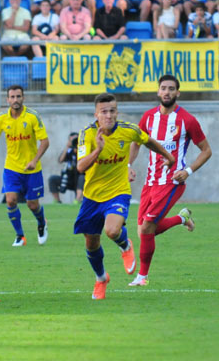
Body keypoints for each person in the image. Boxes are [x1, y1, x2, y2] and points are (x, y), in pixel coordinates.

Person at [75, 93, 175, 300]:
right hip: (92, 197)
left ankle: (125, 244)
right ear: (96, 114)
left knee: (111, 230)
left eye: (112, 111)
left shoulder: (128, 130)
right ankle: (101, 278)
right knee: (91, 243)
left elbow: (148, 141)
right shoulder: (87, 134)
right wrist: (98, 150)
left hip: (118, 192)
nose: (109, 115)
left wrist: (168, 156)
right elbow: (80, 167)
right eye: (104, 112)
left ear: (117, 112)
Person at [127, 74, 212, 287]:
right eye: (163, 88)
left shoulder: (187, 120)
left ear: (178, 93)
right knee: (143, 230)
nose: (167, 92)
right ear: (158, 91)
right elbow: (136, 142)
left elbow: (206, 150)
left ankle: (142, 277)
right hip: (150, 182)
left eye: (171, 88)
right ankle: (182, 219)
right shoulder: (148, 118)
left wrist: (188, 171)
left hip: (172, 182)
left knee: (147, 228)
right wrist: (129, 165)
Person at [0, 85, 50, 247]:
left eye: (18, 96)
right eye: (12, 97)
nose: (15, 100)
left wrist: (34, 160)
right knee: (11, 201)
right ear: (7, 99)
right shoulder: (1, 118)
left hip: (32, 169)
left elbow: (45, 142)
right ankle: (20, 236)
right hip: (12, 168)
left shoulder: (32, 116)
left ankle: (42, 223)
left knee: (32, 204)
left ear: (23, 98)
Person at [49, 132, 84, 204]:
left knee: (82, 178)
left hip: (79, 179)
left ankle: (77, 200)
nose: (75, 142)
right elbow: (60, 160)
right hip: (68, 178)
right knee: (52, 179)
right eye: (73, 140)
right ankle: (57, 201)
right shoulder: (68, 151)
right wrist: (67, 147)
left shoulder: (83, 150)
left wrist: (79, 149)